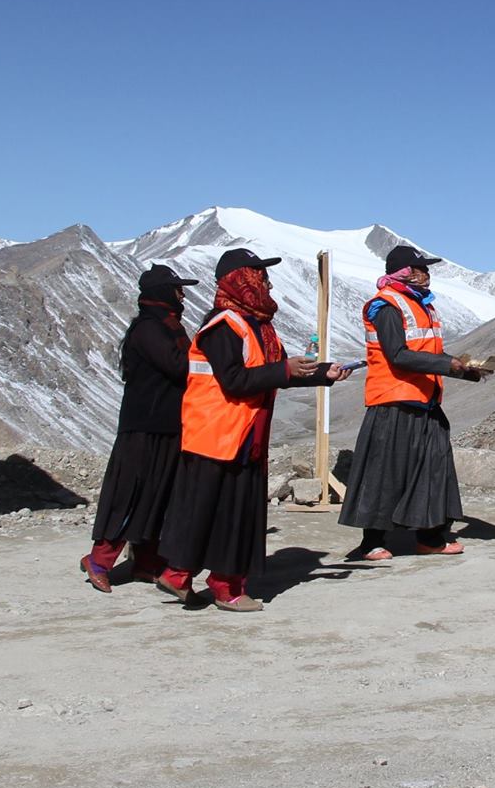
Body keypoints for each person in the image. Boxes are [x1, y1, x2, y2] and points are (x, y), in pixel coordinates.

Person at [158, 248, 346, 611]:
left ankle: (179, 574)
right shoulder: (224, 326)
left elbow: (277, 372)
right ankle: (226, 587)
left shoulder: (258, 327)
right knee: (229, 511)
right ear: (239, 280)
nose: (267, 282)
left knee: (209, 508)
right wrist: (286, 371)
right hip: (221, 433)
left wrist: (324, 374)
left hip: (240, 433)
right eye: (258, 275)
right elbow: (235, 380)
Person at [339, 244, 487, 561]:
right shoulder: (387, 306)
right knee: (385, 471)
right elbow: (397, 355)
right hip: (393, 399)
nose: (426, 274)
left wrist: (466, 371)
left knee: (434, 468)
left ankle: (431, 536)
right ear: (404, 272)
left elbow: (429, 355)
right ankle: (372, 541)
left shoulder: (424, 307)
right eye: (420, 269)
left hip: (425, 399)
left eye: (427, 269)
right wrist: (449, 366)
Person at [80, 264, 197, 592]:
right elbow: (177, 366)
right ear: (161, 292)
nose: (183, 294)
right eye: (177, 289)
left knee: (158, 495)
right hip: (144, 426)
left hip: (168, 425)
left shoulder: (169, 327)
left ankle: (146, 560)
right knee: (129, 494)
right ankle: (100, 559)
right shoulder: (149, 329)